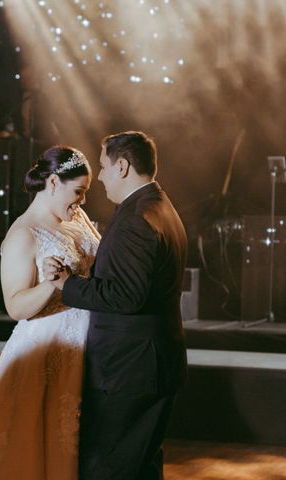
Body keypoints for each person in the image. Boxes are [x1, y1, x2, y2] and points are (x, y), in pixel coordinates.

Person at [45, 131, 188, 480]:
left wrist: (69, 284)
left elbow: (125, 296)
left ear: (123, 166)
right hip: (152, 362)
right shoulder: (160, 207)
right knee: (141, 467)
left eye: (104, 166)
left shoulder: (136, 219)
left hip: (130, 369)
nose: (102, 175)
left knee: (108, 469)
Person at [0, 146, 100, 479]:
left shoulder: (76, 218)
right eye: (78, 191)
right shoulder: (23, 235)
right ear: (53, 182)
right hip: (48, 350)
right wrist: (51, 284)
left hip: (87, 345)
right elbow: (15, 305)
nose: (81, 200)